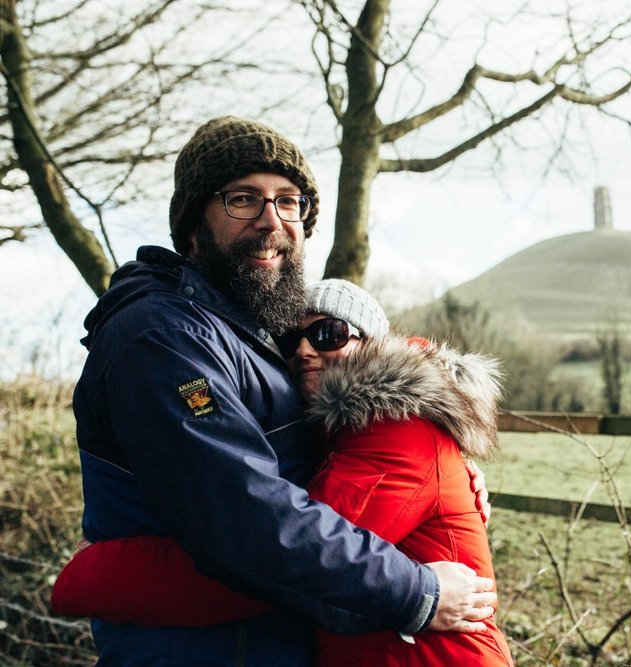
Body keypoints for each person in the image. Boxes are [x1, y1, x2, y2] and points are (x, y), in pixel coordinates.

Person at [68, 116, 495, 665]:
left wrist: (443, 475)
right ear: (193, 225)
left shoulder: (247, 332)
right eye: (243, 199)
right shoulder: (166, 336)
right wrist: (416, 592)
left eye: (288, 201)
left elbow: (307, 474)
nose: (271, 220)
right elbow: (243, 521)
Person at [54, 279, 515, 666]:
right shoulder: (343, 436)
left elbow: (283, 565)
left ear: (374, 345)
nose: (304, 351)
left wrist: (93, 574)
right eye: (289, 341)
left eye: (329, 333)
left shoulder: (395, 432)